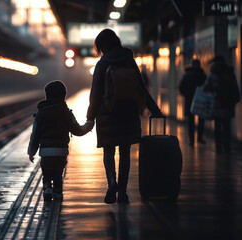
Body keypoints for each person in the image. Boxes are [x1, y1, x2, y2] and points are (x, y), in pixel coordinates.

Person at [86, 29, 163, 204]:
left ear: (102, 46)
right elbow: (141, 88)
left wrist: (90, 117)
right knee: (125, 152)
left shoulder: (102, 64)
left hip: (107, 114)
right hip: (129, 112)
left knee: (108, 150)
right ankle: (123, 191)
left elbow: (96, 94)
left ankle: (111, 182)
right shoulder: (129, 60)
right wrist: (155, 110)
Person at [27, 80, 94, 201]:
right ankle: (58, 191)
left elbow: (35, 135)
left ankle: (47, 187)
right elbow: (77, 130)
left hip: (45, 151)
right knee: (58, 173)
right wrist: (89, 125)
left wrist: (31, 151)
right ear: (64, 95)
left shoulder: (40, 113)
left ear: (46, 96)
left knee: (46, 172)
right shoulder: (66, 112)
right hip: (61, 151)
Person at [203, 55, 240, 153]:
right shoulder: (230, 73)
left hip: (217, 104)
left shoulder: (213, 73)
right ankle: (227, 147)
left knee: (218, 127)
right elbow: (235, 88)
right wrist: (234, 100)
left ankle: (218, 147)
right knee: (227, 126)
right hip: (228, 104)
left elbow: (206, 87)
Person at [178, 59, 207, 147]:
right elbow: (206, 87)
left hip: (189, 100)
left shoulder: (187, 75)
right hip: (201, 101)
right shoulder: (202, 75)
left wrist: (186, 95)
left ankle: (191, 140)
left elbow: (181, 87)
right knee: (201, 119)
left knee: (191, 121)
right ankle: (200, 138)